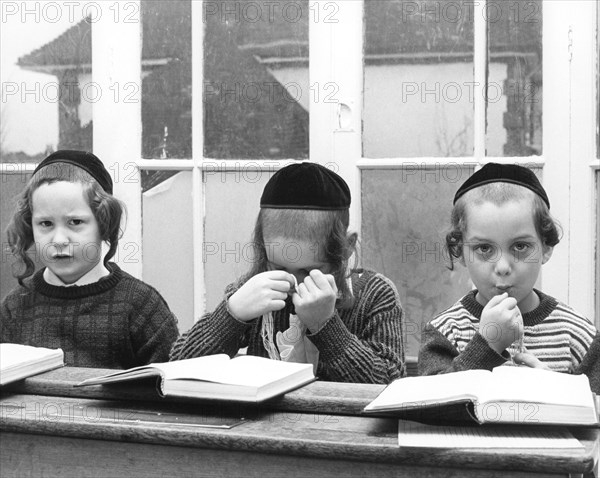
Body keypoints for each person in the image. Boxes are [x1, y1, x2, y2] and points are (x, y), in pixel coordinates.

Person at [170, 162, 405, 383]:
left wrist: (326, 325)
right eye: (279, 267)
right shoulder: (256, 288)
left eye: (310, 270)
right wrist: (232, 313)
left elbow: (389, 384)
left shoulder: (375, 295)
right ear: (263, 249)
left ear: (346, 249)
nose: (293, 282)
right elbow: (179, 365)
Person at [0, 150, 179, 368]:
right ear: (30, 227)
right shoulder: (14, 308)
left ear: (104, 225)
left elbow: (174, 388)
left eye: (75, 222)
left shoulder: (141, 305)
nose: (59, 240)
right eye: (46, 224)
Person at [418, 163, 596, 375]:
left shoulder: (579, 336)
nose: (502, 267)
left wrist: (557, 391)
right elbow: (431, 406)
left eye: (520, 246)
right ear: (460, 252)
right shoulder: (445, 332)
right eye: (484, 248)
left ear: (546, 247)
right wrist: (487, 344)